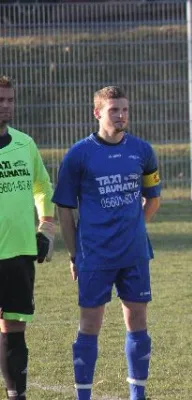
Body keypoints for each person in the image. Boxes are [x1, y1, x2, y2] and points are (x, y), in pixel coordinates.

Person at [52, 86, 161, 400]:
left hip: (134, 253)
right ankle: (83, 396)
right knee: (90, 324)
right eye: (114, 110)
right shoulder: (79, 155)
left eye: (125, 109)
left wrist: (134, 228)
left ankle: (137, 395)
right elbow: (65, 209)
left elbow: (153, 199)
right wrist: (75, 253)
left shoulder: (142, 151)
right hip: (95, 255)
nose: (121, 115)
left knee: (137, 319)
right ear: (97, 113)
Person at [0, 75, 55, 400]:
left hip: (20, 252)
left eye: (10, 100)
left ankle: (16, 394)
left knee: (14, 329)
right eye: (0, 101)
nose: (6, 107)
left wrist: (46, 226)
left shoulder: (25, 144)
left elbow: (42, 186)